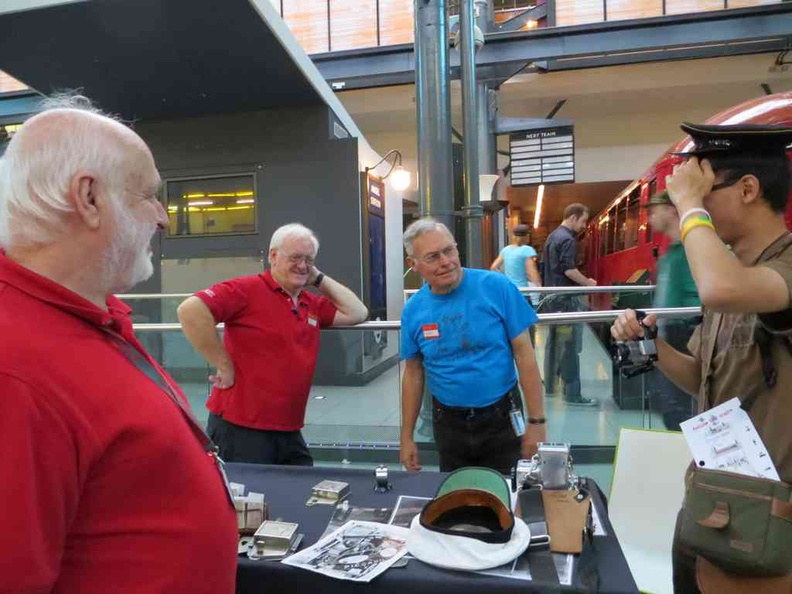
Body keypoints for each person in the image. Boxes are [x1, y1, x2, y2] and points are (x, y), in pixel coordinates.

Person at [0, 96, 238, 592]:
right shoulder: (14, 367)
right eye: (148, 195)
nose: (163, 218)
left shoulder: (90, 317)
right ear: (88, 197)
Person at [610, 123, 792, 593]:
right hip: (710, 500)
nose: (693, 206)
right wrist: (652, 348)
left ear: (749, 189)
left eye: (706, 191)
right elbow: (702, 378)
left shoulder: (774, 268)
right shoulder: (727, 270)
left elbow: (721, 288)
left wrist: (690, 207)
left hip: (768, 521)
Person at [177, 223, 368, 466]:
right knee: (247, 501)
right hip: (241, 427)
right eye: (295, 257)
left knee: (299, 493)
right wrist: (223, 364)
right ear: (273, 256)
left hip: (288, 429)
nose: (302, 265)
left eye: (309, 259)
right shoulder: (246, 289)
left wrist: (318, 278)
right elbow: (190, 311)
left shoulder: (311, 303)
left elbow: (358, 312)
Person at [399, 218, 545, 474]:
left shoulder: (496, 287)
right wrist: (406, 436)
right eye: (433, 257)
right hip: (448, 422)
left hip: (503, 415)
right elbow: (413, 373)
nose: (446, 262)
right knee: (457, 495)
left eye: (449, 250)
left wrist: (536, 421)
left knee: (507, 495)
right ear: (414, 265)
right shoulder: (414, 310)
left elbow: (525, 355)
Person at [644, 190, 701, 430]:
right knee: (672, 410)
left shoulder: (695, 249)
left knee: (682, 412)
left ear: (671, 209)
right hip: (670, 335)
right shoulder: (672, 253)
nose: (650, 219)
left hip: (688, 334)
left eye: (654, 211)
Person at [541, 203, 598, 406]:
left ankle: (549, 386)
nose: (583, 226)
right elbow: (569, 270)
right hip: (566, 301)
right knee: (570, 346)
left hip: (552, 299)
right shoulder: (567, 239)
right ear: (573, 217)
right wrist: (588, 283)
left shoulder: (552, 237)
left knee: (554, 343)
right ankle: (572, 394)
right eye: (583, 221)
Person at [490, 222, 543, 307]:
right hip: (522, 292)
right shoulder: (527, 250)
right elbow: (531, 272)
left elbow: (493, 267)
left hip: (509, 291)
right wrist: (539, 285)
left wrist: (505, 279)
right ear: (527, 236)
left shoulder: (505, 250)